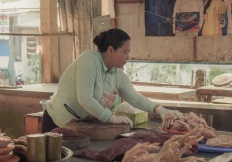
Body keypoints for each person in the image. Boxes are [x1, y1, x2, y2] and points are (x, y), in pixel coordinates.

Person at [42, 28, 181, 133]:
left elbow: (135, 98)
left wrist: (160, 109)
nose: (128, 56)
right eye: (125, 52)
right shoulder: (89, 60)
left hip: (77, 125)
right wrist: (110, 117)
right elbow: (85, 98)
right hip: (56, 121)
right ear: (110, 50)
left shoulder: (117, 73)